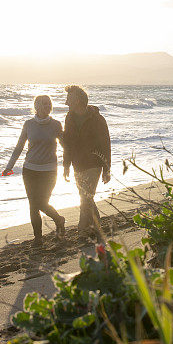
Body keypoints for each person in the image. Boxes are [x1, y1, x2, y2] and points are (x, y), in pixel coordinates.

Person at [3, 95, 66, 246]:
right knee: (33, 205)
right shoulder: (28, 124)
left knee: (42, 203)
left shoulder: (56, 125)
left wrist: (71, 164)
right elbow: (19, 147)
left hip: (49, 170)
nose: (47, 106)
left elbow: (65, 146)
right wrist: (9, 166)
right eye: (44, 104)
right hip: (30, 170)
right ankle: (38, 238)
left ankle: (58, 219)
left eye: (49, 103)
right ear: (36, 106)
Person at [62, 85, 111, 239]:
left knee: (86, 196)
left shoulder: (97, 118)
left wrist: (106, 168)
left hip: (94, 163)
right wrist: (66, 165)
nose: (66, 101)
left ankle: (83, 230)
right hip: (77, 163)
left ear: (77, 100)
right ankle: (96, 228)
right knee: (86, 196)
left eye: (69, 98)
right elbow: (68, 143)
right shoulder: (69, 117)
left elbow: (105, 143)